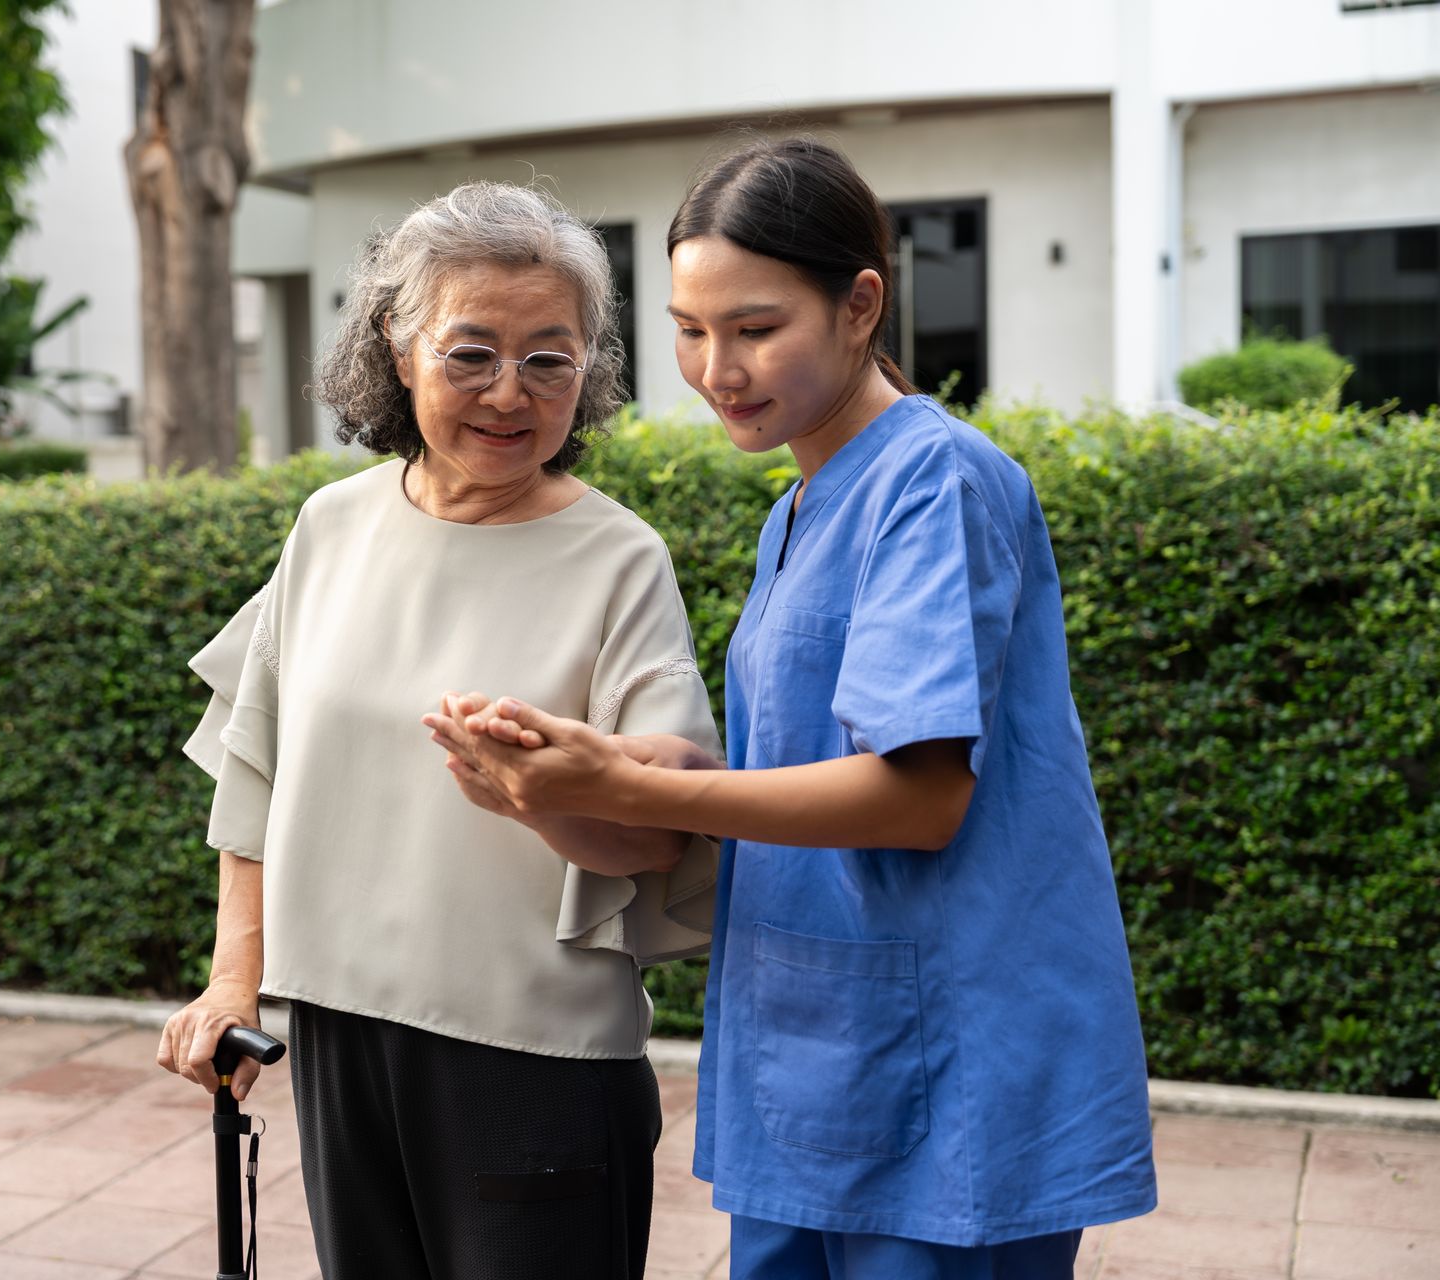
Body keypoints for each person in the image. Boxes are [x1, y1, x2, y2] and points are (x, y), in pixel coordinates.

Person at [426, 137, 1157, 1280]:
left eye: (755, 327)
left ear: (862, 302)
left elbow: (916, 798)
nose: (718, 367)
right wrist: (607, 759)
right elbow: (800, 756)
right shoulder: (803, 508)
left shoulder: (937, 479)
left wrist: (627, 783)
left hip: (948, 1060)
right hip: (824, 1049)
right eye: (689, 328)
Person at [159, 181, 723, 1279]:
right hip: (338, 1035)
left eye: (548, 359)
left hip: (537, 1062)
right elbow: (257, 766)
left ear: (590, 369)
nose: (510, 394)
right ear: (400, 346)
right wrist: (236, 981)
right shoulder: (330, 526)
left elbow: (670, 832)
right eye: (472, 354)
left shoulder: (620, 559)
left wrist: (550, 794)